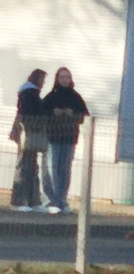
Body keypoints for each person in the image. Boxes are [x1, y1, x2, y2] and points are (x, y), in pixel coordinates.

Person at [41, 67, 89, 214]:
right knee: (51, 169)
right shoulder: (51, 96)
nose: (65, 80)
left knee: (65, 169)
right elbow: (41, 113)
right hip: (52, 138)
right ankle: (50, 201)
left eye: (67, 77)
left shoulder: (75, 97)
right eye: (62, 77)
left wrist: (72, 114)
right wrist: (53, 112)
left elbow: (85, 115)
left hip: (69, 138)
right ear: (57, 79)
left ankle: (62, 200)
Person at [7, 69, 48, 212]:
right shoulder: (30, 94)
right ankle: (21, 201)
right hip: (29, 133)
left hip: (28, 134)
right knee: (25, 167)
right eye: (43, 80)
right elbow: (30, 112)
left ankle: (31, 200)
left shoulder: (27, 92)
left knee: (29, 166)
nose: (43, 83)